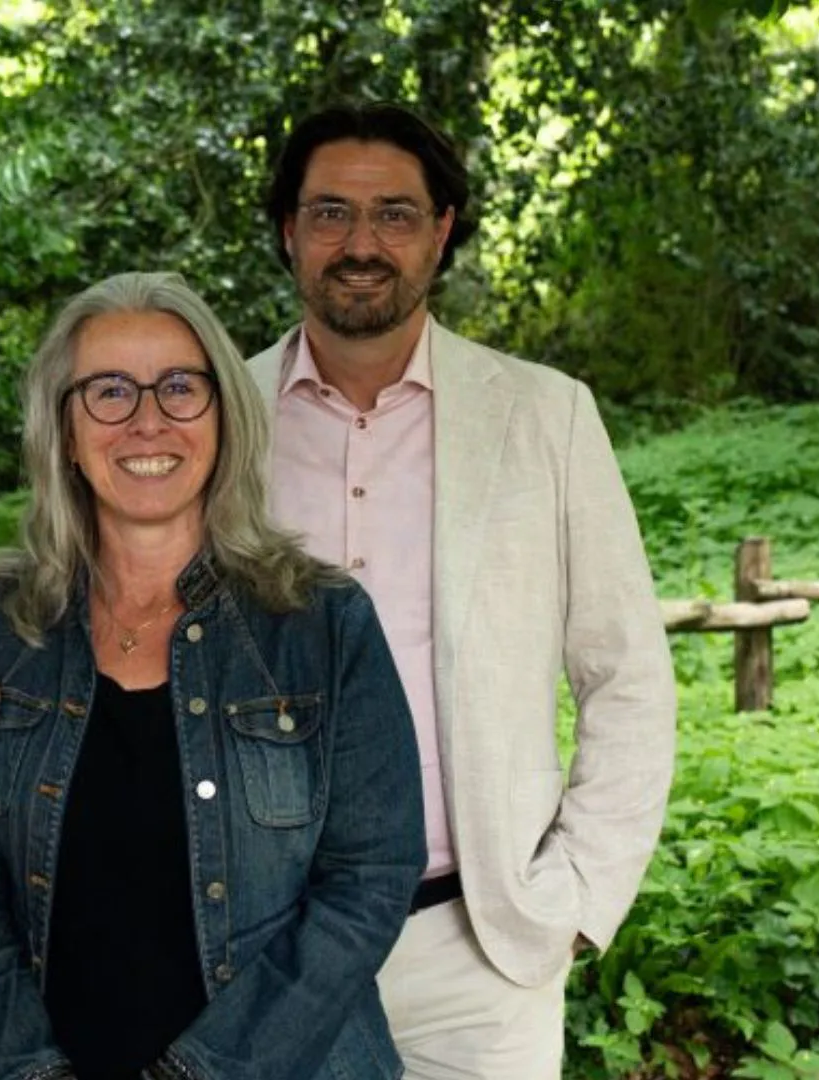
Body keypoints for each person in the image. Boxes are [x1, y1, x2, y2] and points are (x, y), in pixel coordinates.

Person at [0, 270, 426, 1080]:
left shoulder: (322, 624)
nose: (148, 421)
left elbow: (368, 882)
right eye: (109, 391)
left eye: (180, 387)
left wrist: (203, 1074)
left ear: (223, 416)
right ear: (65, 428)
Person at [248, 102, 678, 1079]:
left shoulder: (545, 416)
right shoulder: (219, 420)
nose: (362, 244)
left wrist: (572, 899)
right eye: (329, 213)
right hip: (265, 946)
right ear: (288, 231)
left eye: (395, 214)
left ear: (442, 232)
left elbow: (628, 677)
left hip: (478, 950)